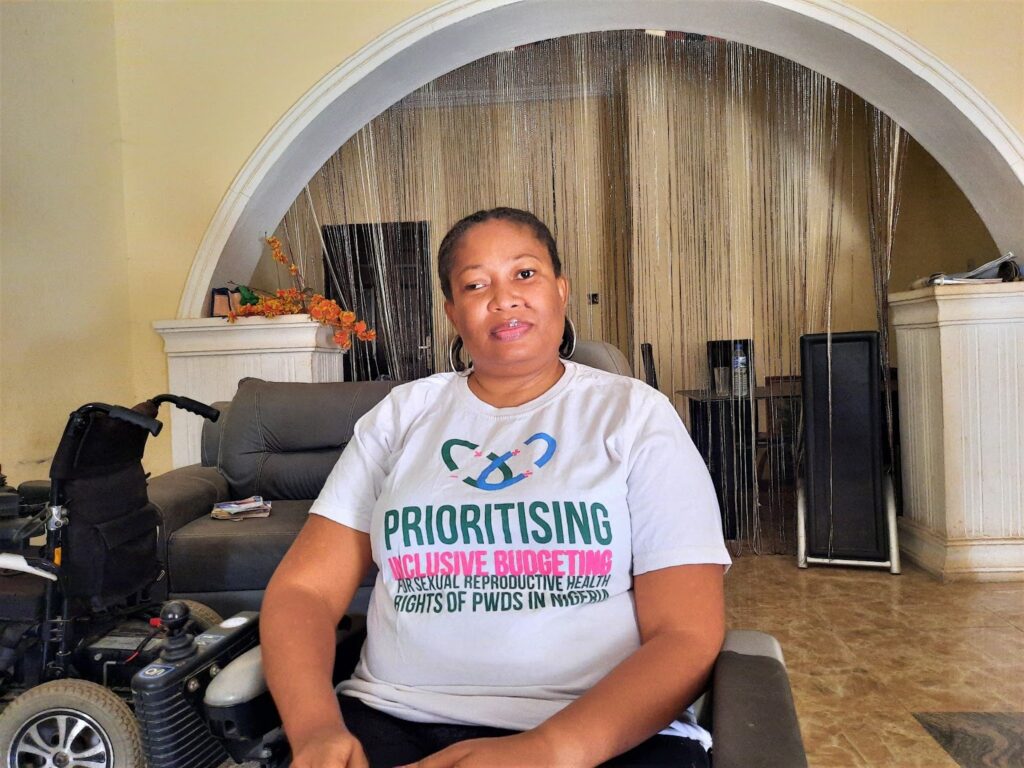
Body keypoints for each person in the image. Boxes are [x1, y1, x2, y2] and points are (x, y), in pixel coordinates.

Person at [261, 207, 731, 768]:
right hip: (395, 719)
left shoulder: (633, 415)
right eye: (476, 284)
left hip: (599, 730)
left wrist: (547, 750)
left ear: (561, 291)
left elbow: (685, 634)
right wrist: (315, 730)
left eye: (525, 275)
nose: (503, 299)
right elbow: (304, 592)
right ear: (453, 313)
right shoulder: (404, 415)